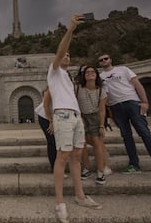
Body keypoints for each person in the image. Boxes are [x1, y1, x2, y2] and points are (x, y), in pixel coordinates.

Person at [48, 14, 102, 223]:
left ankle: (80, 196)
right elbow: (61, 50)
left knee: (77, 157)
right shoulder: (53, 72)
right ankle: (60, 203)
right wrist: (70, 30)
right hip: (62, 115)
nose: (66, 55)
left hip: (76, 116)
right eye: (64, 54)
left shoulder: (68, 78)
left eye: (69, 55)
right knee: (63, 156)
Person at [98, 53, 151, 182]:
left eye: (106, 58)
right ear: (99, 63)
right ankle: (134, 164)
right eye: (101, 60)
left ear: (111, 59)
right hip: (116, 107)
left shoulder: (123, 69)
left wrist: (145, 102)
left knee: (144, 132)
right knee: (126, 135)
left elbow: (137, 84)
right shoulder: (100, 77)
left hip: (132, 102)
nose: (104, 61)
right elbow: (104, 95)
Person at [76, 65, 110, 184]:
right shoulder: (78, 88)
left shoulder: (101, 91)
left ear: (96, 75)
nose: (90, 74)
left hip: (95, 117)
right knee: (83, 143)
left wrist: (101, 125)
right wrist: (79, 117)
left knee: (97, 143)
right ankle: (86, 168)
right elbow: (75, 104)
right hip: (82, 117)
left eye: (92, 72)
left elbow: (102, 110)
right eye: (87, 72)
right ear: (84, 76)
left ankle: (100, 172)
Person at [34, 86, 56, 172]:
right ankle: (54, 167)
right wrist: (51, 121)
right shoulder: (50, 87)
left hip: (57, 117)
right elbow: (46, 106)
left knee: (56, 142)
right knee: (52, 141)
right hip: (45, 117)